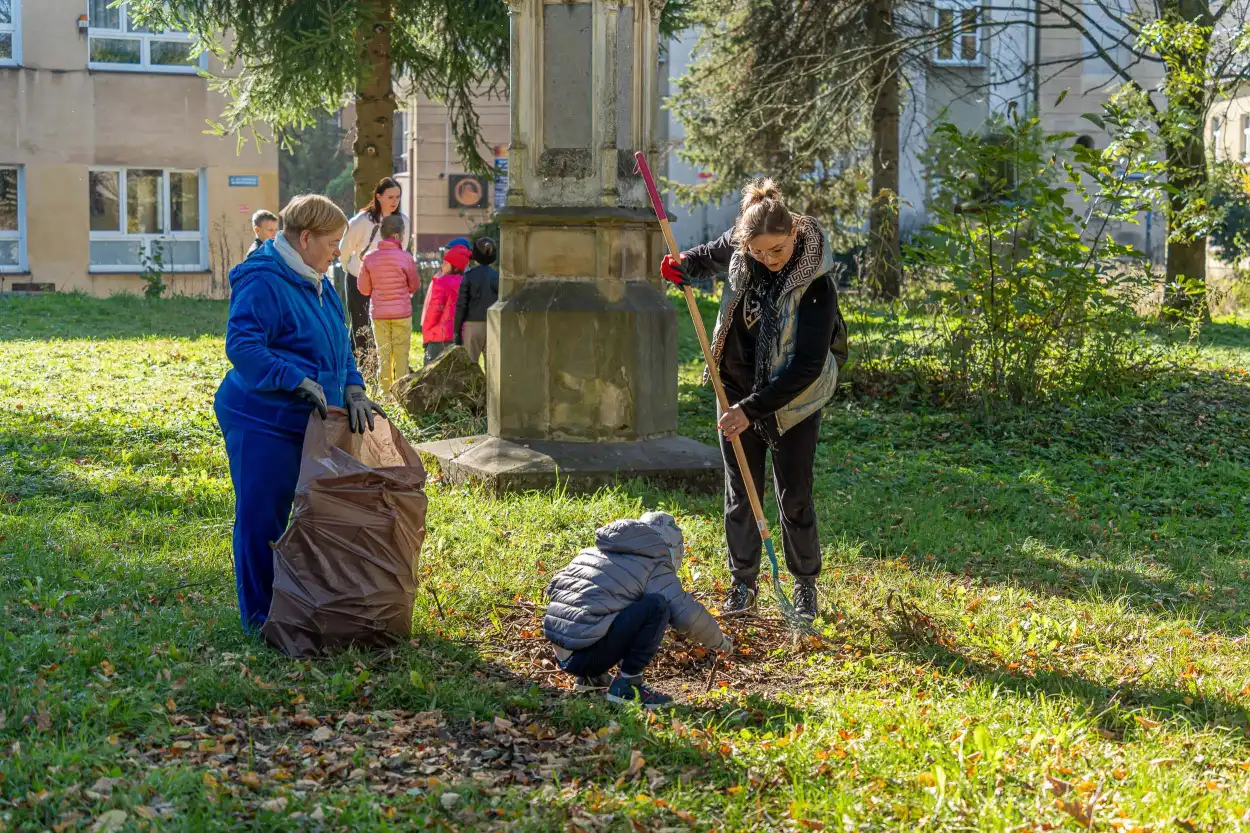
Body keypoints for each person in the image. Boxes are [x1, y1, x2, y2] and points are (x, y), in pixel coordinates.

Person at [659, 179, 848, 622]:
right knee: (740, 493)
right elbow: (707, 257)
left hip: (792, 401)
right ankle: (742, 583)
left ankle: (804, 587)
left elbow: (805, 367)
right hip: (734, 390)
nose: (767, 260)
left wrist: (751, 411)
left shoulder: (817, 285)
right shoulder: (744, 245)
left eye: (776, 251)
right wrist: (681, 264)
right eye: (759, 253)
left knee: (794, 495)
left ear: (793, 236)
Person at [214, 194, 386, 630]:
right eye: (332, 243)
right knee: (262, 515)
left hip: (311, 418)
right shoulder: (262, 279)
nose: (337, 252)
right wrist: (293, 377)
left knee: (313, 516)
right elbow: (243, 347)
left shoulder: (317, 277)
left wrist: (353, 387)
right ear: (305, 237)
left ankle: (302, 606)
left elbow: (340, 342)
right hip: (262, 417)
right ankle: (260, 618)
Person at [543, 512, 733, 709]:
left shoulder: (594, 551)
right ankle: (628, 684)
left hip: (563, 655)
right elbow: (688, 616)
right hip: (589, 657)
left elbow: (555, 588)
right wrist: (721, 642)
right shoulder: (653, 562)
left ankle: (591, 680)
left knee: (616, 600)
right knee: (657, 606)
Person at [339, 177, 410, 346]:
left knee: (383, 326)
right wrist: (347, 267)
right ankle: (363, 367)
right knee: (360, 324)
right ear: (378, 196)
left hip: (386, 282)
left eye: (398, 197)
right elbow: (344, 247)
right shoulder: (362, 220)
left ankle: (358, 363)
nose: (395, 201)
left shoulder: (403, 222)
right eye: (390, 197)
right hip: (358, 278)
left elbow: (402, 250)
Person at [358, 213, 420, 392]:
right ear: (398, 236)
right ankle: (402, 394)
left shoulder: (369, 258)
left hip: (379, 314)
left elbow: (363, 289)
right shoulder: (406, 257)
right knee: (401, 356)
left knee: (383, 356)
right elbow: (414, 285)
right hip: (402, 313)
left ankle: (385, 395)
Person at [420, 244, 470, 364]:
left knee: (430, 375)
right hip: (460, 336)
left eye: (446, 263)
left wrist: (426, 332)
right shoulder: (467, 283)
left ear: (455, 267)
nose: (442, 265)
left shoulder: (442, 282)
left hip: (438, 337)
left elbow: (434, 311)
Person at [454, 237, 499, 365]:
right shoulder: (497, 276)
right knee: (492, 367)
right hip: (493, 325)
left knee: (470, 365)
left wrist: (457, 331)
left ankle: (472, 386)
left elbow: (461, 305)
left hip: (472, 325)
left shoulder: (469, 276)